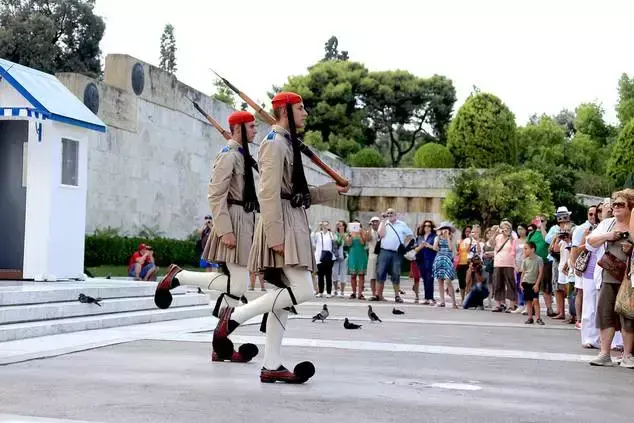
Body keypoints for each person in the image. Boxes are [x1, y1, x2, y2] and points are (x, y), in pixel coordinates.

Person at [214, 91, 348, 383]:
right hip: (282, 223)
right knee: (304, 290)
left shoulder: (287, 143)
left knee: (284, 300)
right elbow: (269, 192)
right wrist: (275, 235)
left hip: (293, 216)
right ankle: (235, 316)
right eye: (301, 108)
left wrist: (330, 190)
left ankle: (271, 365)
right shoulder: (273, 144)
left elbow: (297, 191)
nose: (306, 113)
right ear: (286, 111)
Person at [153, 110, 261, 364]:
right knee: (240, 285)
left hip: (245, 220)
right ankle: (179, 277)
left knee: (234, 288)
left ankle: (220, 346)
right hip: (233, 221)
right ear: (239, 129)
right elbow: (215, 195)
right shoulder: (228, 156)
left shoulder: (242, 155)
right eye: (252, 127)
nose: (256, 131)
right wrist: (225, 230)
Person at [587, 189, 634, 367]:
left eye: (621, 204)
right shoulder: (607, 223)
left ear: (630, 206)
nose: (616, 208)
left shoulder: (633, 225)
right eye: (614, 204)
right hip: (608, 275)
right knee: (605, 313)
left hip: (629, 278)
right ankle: (604, 353)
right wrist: (609, 236)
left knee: (627, 314)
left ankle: (627, 355)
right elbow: (590, 242)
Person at [372, 208, 414, 303]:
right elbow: (381, 234)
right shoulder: (384, 223)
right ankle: (378, 295)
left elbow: (411, 236)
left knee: (396, 273)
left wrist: (405, 247)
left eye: (392, 213)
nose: (390, 214)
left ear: (396, 214)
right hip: (384, 251)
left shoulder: (402, 224)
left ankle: (397, 295)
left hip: (396, 253)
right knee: (380, 272)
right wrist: (383, 220)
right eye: (388, 213)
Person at [432, 222, 458, 308]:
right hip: (439, 258)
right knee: (440, 281)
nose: (445, 230)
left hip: (448, 259)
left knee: (448, 281)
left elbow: (451, 248)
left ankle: (454, 302)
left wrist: (447, 238)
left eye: (447, 228)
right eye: (443, 228)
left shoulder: (452, 238)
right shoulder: (437, 237)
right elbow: (434, 248)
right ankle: (442, 301)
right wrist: (438, 237)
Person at [521, 242, 544, 325]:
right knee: (528, 301)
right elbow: (523, 272)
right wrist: (521, 283)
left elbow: (540, 272)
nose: (524, 250)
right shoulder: (525, 261)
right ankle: (530, 318)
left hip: (534, 283)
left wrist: (537, 284)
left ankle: (538, 318)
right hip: (526, 282)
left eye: (526, 248)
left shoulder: (539, 259)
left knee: (535, 300)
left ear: (532, 249)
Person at [345, 219, 368, 299]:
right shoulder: (349, 233)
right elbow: (348, 244)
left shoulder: (363, 232)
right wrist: (350, 236)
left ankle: (360, 294)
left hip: (361, 254)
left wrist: (360, 234)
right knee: (353, 275)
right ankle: (354, 292)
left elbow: (363, 243)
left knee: (361, 275)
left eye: (357, 225)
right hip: (353, 255)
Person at [314, 221, 336, 298]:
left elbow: (335, 240)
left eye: (327, 224)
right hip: (319, 257)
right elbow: (312, 237)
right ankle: (320, 291)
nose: (325, 226)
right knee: (320, 275)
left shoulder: (331, 234)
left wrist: (331, 228)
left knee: (328, 275)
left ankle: (329, 292)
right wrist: (318, 226)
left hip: (329, 257)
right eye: (324, 224)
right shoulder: (318, 234)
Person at [365, 217, 381, 298]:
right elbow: (367, 239)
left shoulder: (382, 231)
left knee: (380, 276)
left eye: (376, 222)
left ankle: (379, 294)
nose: (375, 223)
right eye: (373, 222)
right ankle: (373, 294)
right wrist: (369, 227)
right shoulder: (369, 231)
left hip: (381, 255)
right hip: (372, 255)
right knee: (372, 276)